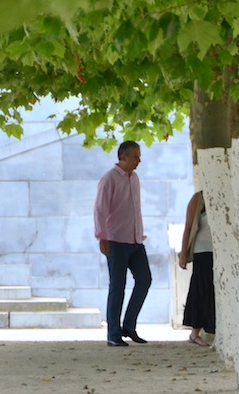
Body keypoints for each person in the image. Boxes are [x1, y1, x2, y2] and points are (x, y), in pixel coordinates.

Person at [94, 140, 152, 347]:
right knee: (117, 287)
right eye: (136, 156)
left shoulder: (134, 178)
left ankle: (129, 325)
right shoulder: (109, 178)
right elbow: (100, 209)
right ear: (123, 157)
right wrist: (102, 236)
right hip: (116, 240)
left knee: (144, 280)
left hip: (136, 239)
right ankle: (113, 334)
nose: (139, 160)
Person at [178, 190, 215, 347]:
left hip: (218, 251)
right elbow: (188, 227)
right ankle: (195, 332)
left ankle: (211, 329)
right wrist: (183, 254)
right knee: (201, 289)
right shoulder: (198, 199)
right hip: (202, 250)